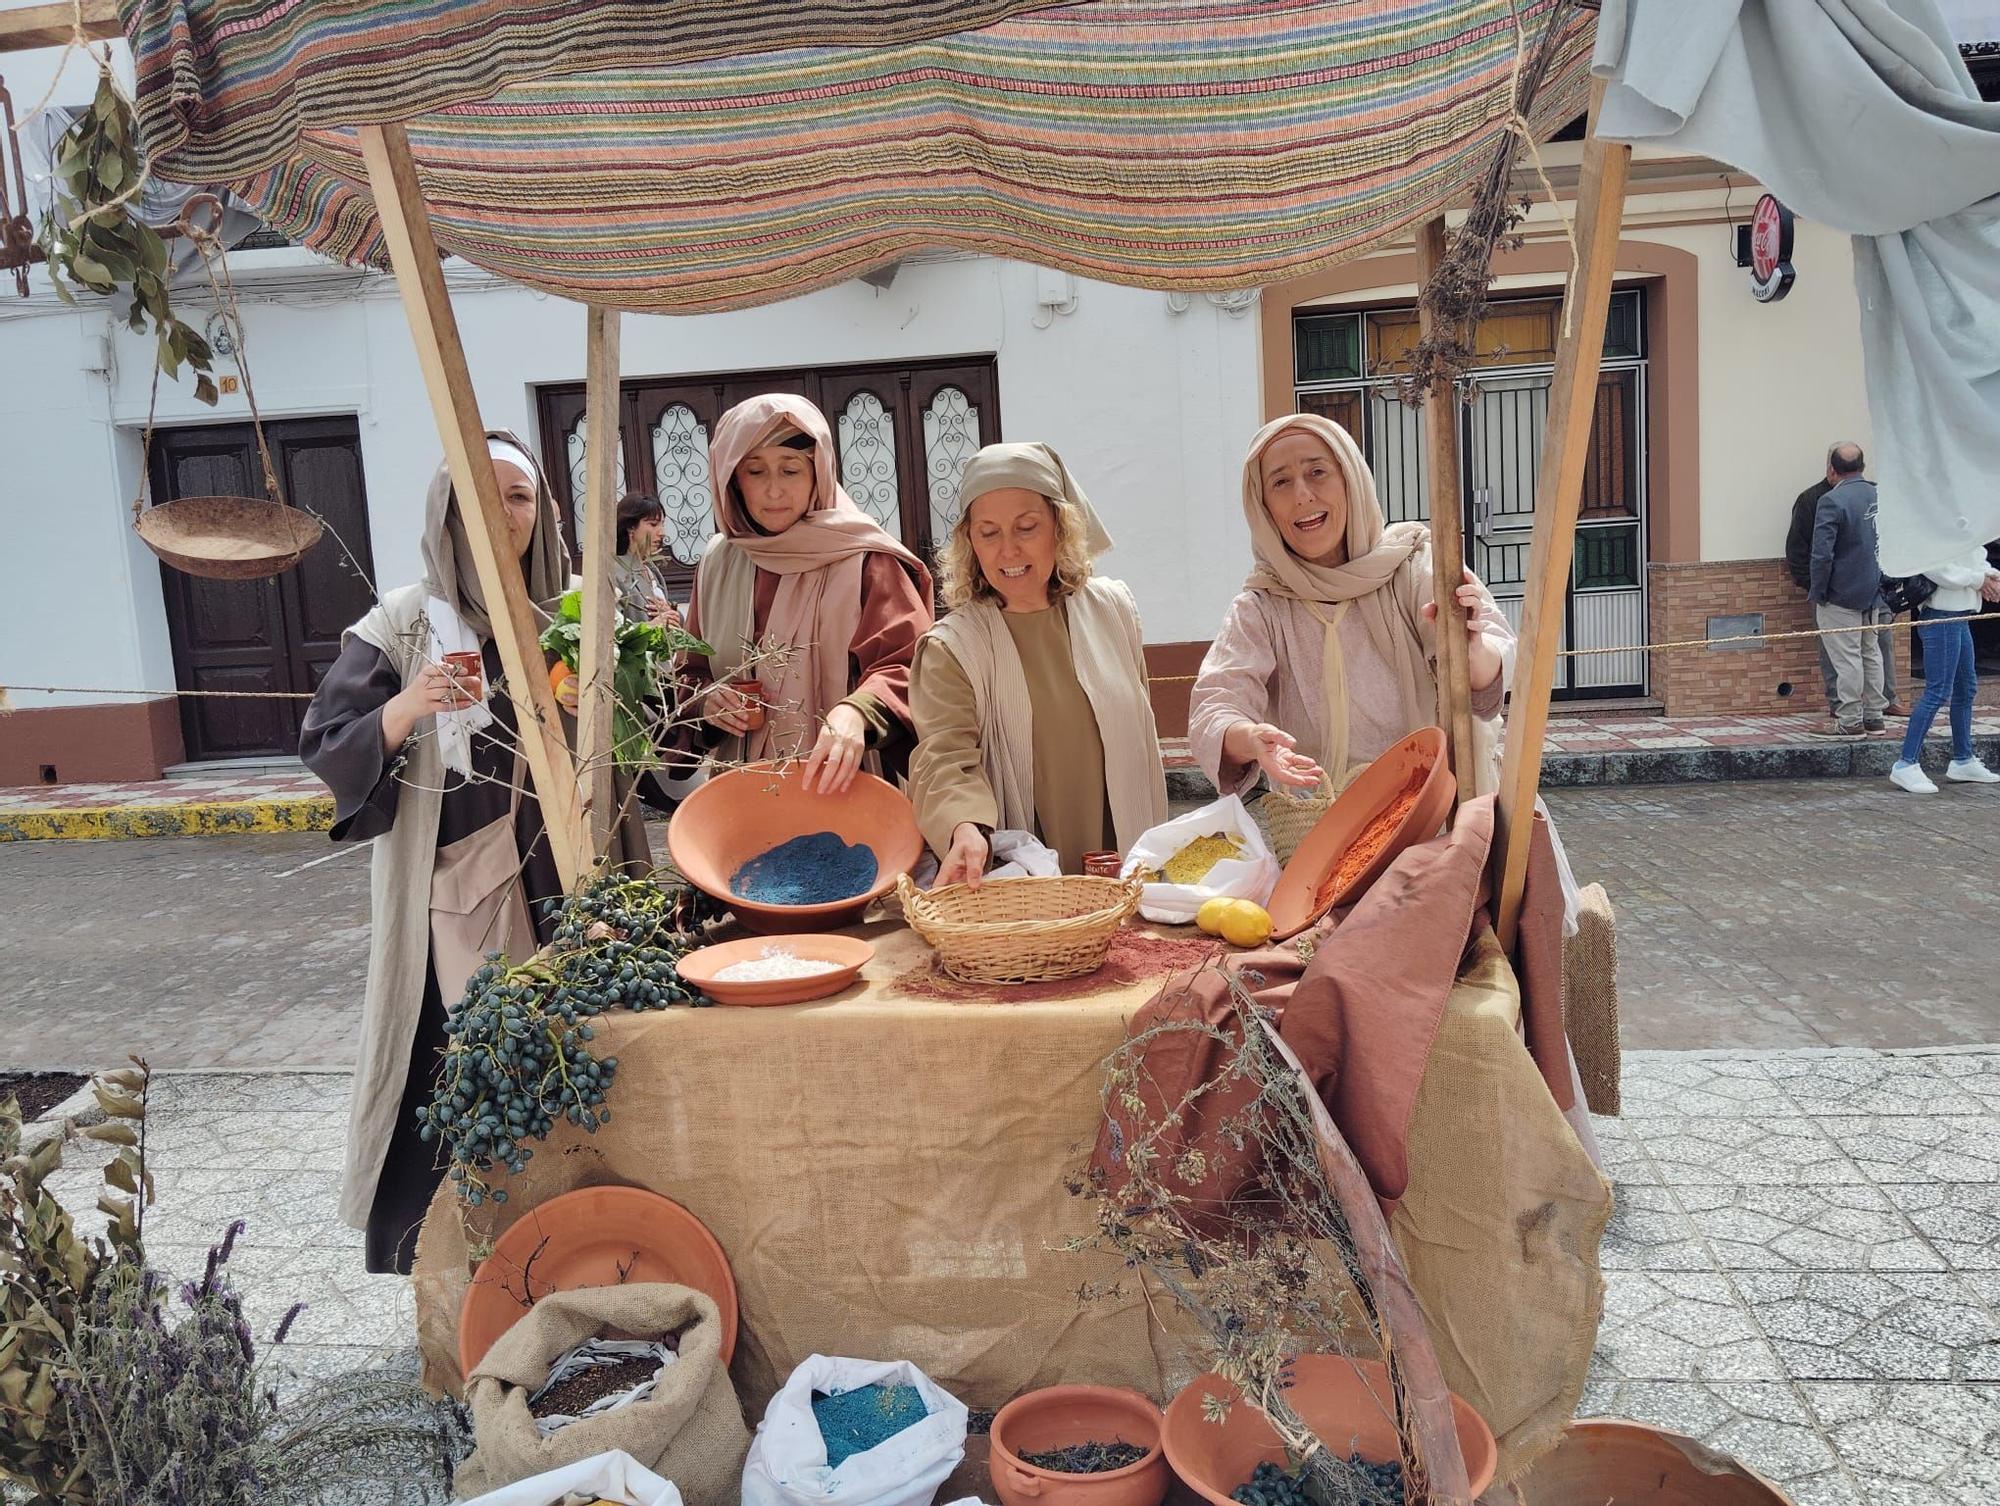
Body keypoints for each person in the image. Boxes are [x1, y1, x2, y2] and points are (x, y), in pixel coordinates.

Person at [299, 434, 647, 1274]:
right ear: (444, 513)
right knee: (460, 1066)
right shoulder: (406, 623)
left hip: (572, 878)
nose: (500, 516)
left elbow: (640, 739)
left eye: (519, 498)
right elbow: (327, 740)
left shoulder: (580, 614)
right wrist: (409, 706)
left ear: (545, 515)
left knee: (582, 1060)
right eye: (476, 498)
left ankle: (592, 1247)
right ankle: (461, 1267)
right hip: (454, 888)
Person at [1189, 413, 1513, 802]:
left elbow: (1495, 665)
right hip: (1320, 831)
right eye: (1280, 482)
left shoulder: (1415, 567)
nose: (1303, 496)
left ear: (1350, 479)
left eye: (1318, 472)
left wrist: (1472, 649)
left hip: (1435, 814)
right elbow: (1216, 705)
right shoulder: (1262, 606)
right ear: (1263, 508)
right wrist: (1253, 738)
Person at [909, 442, 1168, 882]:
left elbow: (1142, 735)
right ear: (970, 542)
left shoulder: (1113, 611)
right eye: (989, 533)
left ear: (1059, 528)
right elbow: (944, 758)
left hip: (1124, 858)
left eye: (1026, 527)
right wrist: (963, 825)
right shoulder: (952, 648)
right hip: (1030, 884)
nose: (1008, 550)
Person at [680, 394, 932, 793]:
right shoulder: (719, 563)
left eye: (791, 469)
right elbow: (691, 672)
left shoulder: (865, 559)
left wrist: (857, 712)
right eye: (755, 471)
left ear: (819, 472)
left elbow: (910, 666)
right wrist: (707, 703)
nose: (774, 491)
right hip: (744, 792)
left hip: (848, 786)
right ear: (731, 480)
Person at [1788, 444, 1900, 718]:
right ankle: (1875, 714)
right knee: (1870, 652)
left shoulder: (1831, 500)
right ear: (1862, 467)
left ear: (1831, 469)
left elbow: (1822, 554)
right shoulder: (1879, 495)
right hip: (1874, 590)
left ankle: (1849, 717)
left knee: (1846, 656)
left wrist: (1818, 591)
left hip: (1840, 594)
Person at [1888, 546, 2000, 792]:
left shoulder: (1961, 523)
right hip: (1941, 615)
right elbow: (1935, 568)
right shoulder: (1934, 526)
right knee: (1938, 691)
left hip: (1960, 616)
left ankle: (1963, 758)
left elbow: (1976, 553)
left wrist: (1990, 577)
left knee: (1966, 689)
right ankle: (1906, 763)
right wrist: (1979, 580)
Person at [613, 491, 683, 630]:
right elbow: (611, 629)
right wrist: (651, 626)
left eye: (662, 524)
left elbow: (674, 620)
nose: (661, 532)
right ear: (631, 527)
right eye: (653, 524)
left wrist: (670, 612)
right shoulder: (615, 572)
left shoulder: (651, 569)